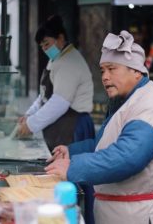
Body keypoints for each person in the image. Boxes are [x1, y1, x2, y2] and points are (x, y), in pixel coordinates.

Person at [45, 30, 153, 224]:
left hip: (146, 215)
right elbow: (107, 143)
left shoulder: (150, 106)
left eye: (112, 69)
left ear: (136, 71)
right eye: (103, 70)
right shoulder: (127, 100)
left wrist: (73, 167)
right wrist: (71, 152)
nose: (105, 77)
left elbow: (126, 157)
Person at [17, 15, 95, 223]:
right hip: (60, 126)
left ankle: (75, 217)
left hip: (74, 127)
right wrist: (29, 115)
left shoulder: (70, 62)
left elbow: (59, 103)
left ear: (61, 39)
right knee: (59, 176)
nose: (45, 49)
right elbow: (44, 97)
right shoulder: (56, 60)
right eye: (42, 46)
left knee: (74, 181)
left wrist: (31, 125)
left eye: (47, 43)